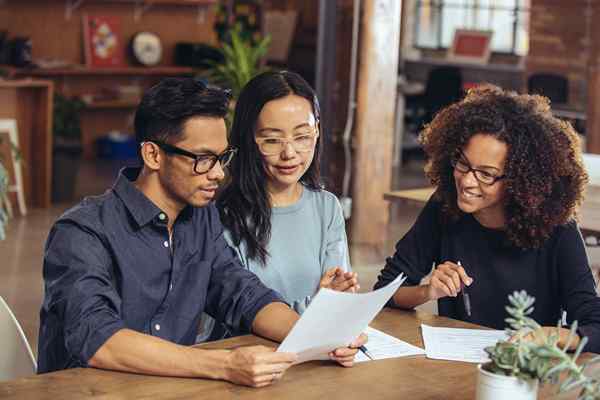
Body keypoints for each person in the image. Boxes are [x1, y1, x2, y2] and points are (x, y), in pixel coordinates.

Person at [38, 77, 365, 387]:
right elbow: (98, 339)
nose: (219, 174)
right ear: (153, 155)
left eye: (222, 157)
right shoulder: (81, 232)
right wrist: (224, 365)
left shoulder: (200, 220)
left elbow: (244, 295)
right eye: (204, 159)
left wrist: (321, 338)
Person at [375, 85, 600, 352]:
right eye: (463, 164)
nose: (467, 181)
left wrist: (550, 337)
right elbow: (385, 291)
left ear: (521, 181)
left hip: (524, 375)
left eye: (486, 174)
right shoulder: (444, 207)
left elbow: (594, 326)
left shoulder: (558, 229)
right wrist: (428, 291)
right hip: (452, 370)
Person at [199, 70, 357, 341]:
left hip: (317, 354)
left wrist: (335, 303)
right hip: (251, 358)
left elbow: (337, 299)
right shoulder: (221, 218)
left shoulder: (327, 207)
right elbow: (234, 316)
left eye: (302, 136)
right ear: (248, 139)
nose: (289, 153)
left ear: (316, 132)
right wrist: (315, 310)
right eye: (272, 139)